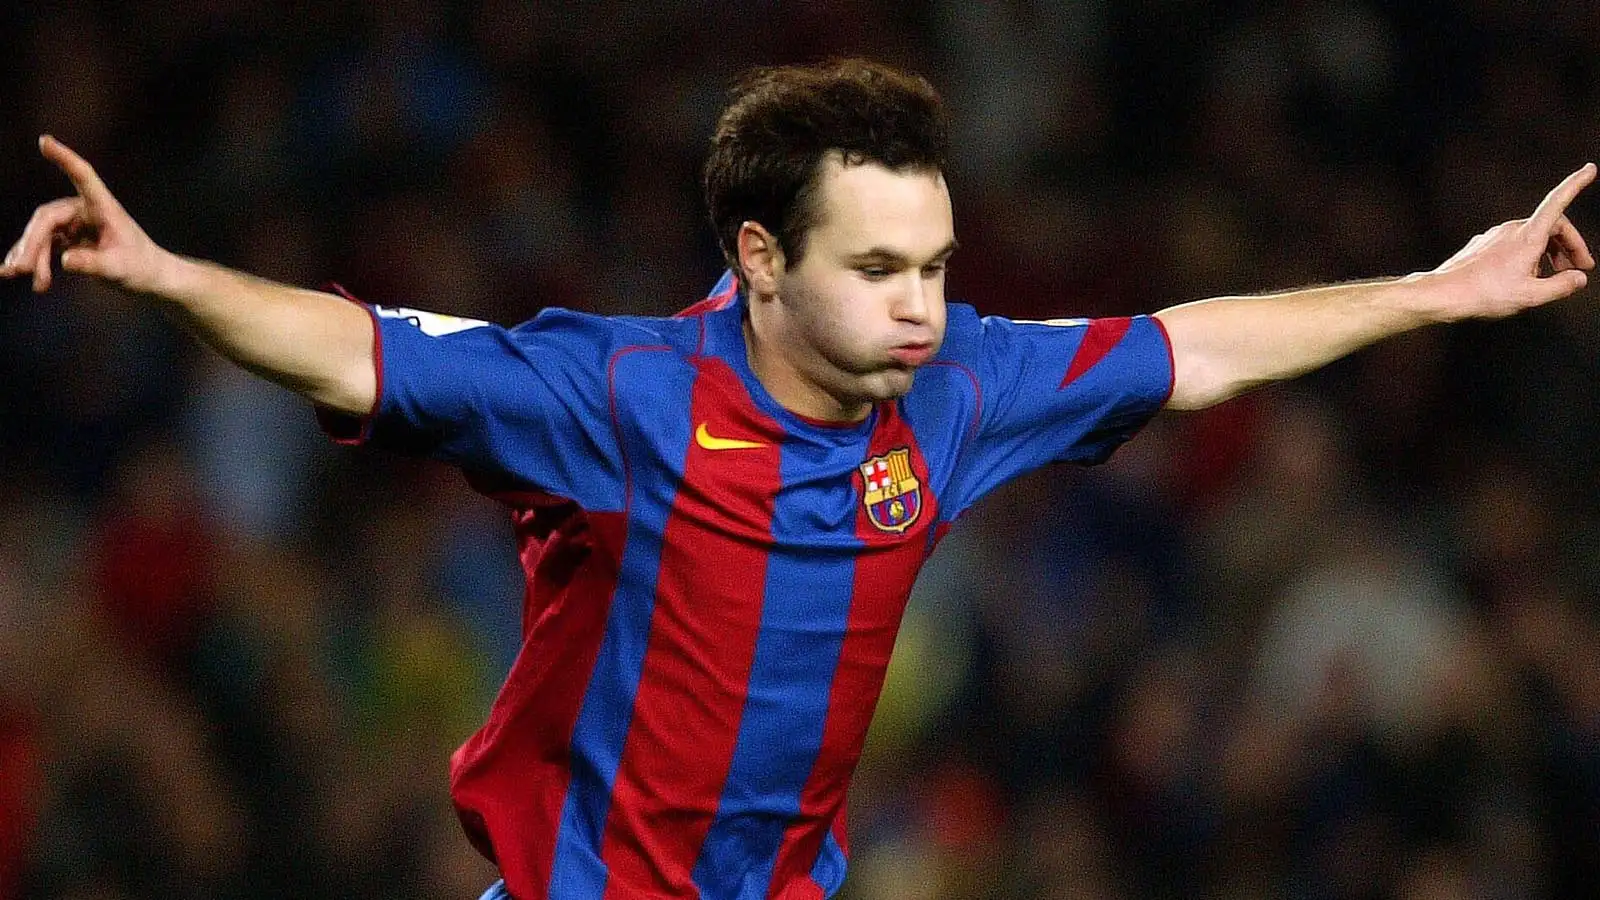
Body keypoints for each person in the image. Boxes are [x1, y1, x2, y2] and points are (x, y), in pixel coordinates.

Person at [2, 58, 1592, 900]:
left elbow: (1199, 345)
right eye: (884, 266)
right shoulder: (617, 397)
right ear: (759, 258)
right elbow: (357, 351)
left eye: (941, 262)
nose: (924, 301)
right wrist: (162, 272)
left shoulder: (961, 381)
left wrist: (1435, 292)